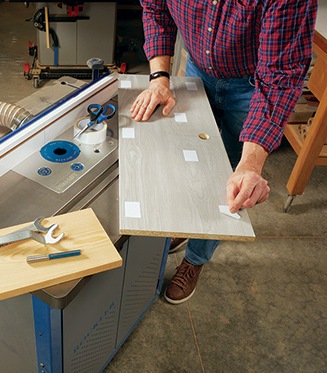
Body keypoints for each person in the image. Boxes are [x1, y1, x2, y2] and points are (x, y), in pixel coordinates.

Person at [131, 0, 317, 304]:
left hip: (252, 85)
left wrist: (251, 165)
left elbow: (279, 75)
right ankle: (186, 225)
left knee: (230, 181)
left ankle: (196, 259)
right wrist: (159, 78)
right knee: (186, 159)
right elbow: (156, 11)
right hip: (196, 70)